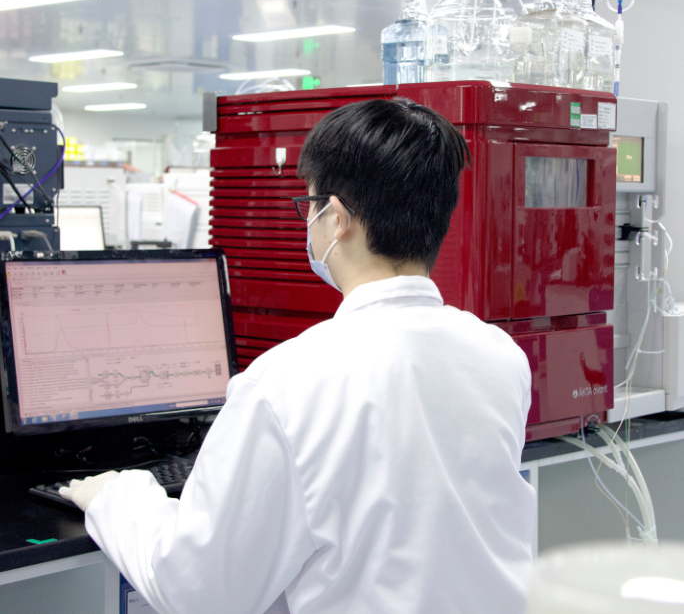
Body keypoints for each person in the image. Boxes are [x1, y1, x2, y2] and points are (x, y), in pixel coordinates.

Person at [61, 98, 536, 614]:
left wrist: (116, 498)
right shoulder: (499, 356)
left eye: (309, 205)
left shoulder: (287, 382)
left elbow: (198, 591)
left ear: (336, 219)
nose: (307, 221)